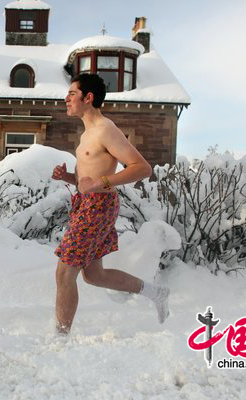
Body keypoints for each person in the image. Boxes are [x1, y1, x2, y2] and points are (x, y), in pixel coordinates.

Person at [51, 73, 169, 334]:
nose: (66, 99)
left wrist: (100, 183)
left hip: (99, 206)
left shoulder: (106, 129)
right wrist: (70, 177)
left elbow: (142, 168)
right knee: (94, 275)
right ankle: (156, 293)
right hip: (86, 204)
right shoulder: (87, 134)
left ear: (88, 97)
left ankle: (60, 339)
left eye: (72, 94)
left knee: (64, 271)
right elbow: (87, 180)